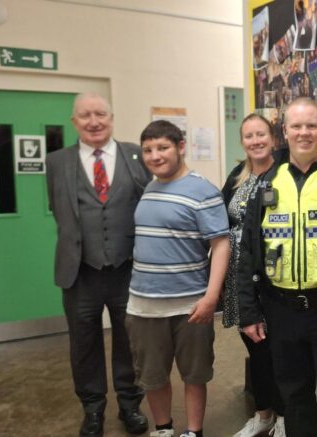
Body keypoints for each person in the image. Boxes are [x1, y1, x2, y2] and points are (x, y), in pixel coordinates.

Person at [237, 97, 317, 437]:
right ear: (285, 132)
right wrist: (249, 311)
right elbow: (248, 251)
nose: (304, 133)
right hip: (281, 310)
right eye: (297, 126)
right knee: (294, 397)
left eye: (312, 125)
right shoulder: (264, 184)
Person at [45, 93, 150, 437]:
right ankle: (92, 410)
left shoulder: (135, 155)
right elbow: (58, 209)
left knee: (130, 340)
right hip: (80, 273)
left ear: (112, 117)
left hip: (127, 269)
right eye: (86, 115)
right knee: (83, 343)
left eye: (101, 114)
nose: (94, 121)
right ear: (74, 121)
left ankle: (130, 404)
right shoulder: (57, 162)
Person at [125, 120, 229, 437]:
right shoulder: (149, 188)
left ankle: (193, 431)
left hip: (190, 305)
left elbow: (221, 244)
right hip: (144, 306)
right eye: (148, 150)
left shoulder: (204, 191)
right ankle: (163, 429)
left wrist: (212, 297)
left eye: (163, 147)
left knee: (194, 374)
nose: (155, 156)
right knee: (152, 376)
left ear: (180, 147)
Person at [220, 114, 285, 437]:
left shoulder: (285, 173)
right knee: (255, 350)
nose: (255, 141)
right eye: (249, 136)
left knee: (278, 351)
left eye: (261, 134)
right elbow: (219, 220)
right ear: (243, 141)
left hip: (274, 276)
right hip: (239, 279)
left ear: (272, 137)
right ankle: (263, 415)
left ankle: (285, 417)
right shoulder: (237, 176)